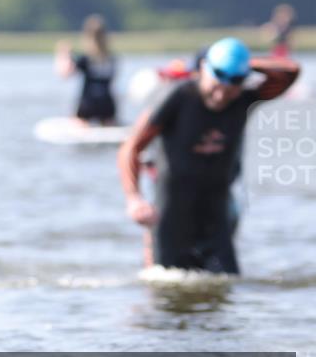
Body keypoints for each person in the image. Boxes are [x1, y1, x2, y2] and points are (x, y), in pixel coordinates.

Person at [118, 37, 300, 274]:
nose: (223, 90)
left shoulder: (244, 99)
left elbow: (291, 72)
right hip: (172, 216)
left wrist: (243, 64)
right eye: (219, 76)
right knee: (165, 289)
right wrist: (134, 198)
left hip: (216, 218)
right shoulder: (176, 97)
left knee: (227, 288)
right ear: (203, 67)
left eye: (235, 80)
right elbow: (130, 148)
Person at [56, 14, 118, 125]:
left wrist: (64, 54)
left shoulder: (86, 59)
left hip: (88, 105)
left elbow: (65, 73)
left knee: (79, 123)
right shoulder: (112, 59)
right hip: (108, 105)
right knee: (109, 124)